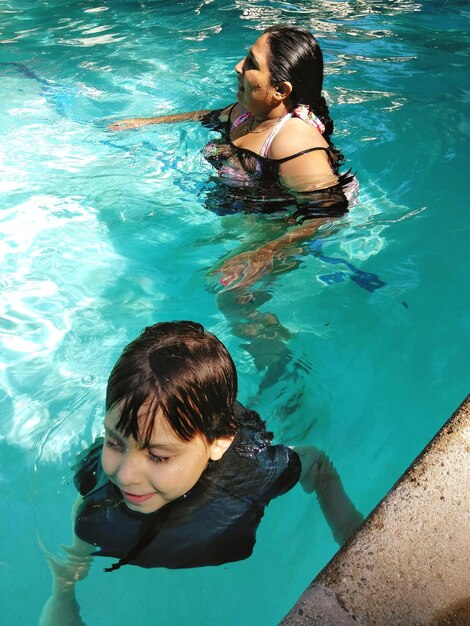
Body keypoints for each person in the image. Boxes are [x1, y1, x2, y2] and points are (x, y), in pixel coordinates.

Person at [39, 321, 362, 625]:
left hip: (236, 434)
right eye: (114, 440)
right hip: (189, 426)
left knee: (285, 399)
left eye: (158, 456)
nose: (124, 476)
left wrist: (346, 528)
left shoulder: (253, 473)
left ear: (218, 443)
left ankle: (259, 330)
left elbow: (315, 462)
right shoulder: (100, 472)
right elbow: (85, 505)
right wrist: (64, 588)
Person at [109, 25, 358, 291]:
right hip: (247, 204)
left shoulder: (294, 141)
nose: (238, 66)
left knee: (227, 290)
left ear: (280, 90)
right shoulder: (247, 110)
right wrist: (143, 122)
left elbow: (326, 213)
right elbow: (205, 116)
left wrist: (268, 250)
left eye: (252, 63)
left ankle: (260, 326)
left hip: (281, 221)